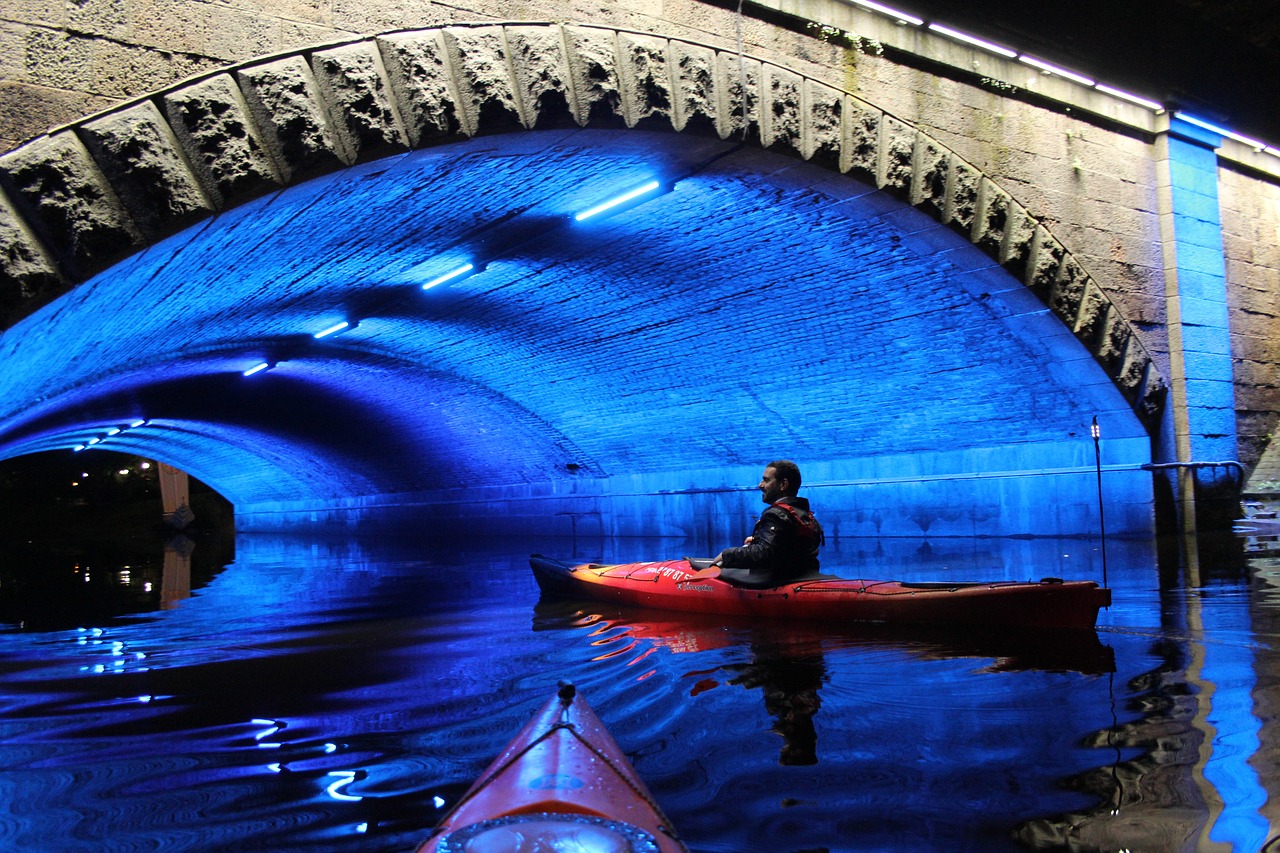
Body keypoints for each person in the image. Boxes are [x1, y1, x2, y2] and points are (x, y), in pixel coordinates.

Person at [712, 460, 824, 587]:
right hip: (804, 577)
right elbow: (790, 547)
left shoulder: (775, 514)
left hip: (777, 583)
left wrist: (727, 554)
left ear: (783, 484)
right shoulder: (805, 514)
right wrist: (759, 539)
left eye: (766, 480)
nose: (760, 485)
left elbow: (764, 554)